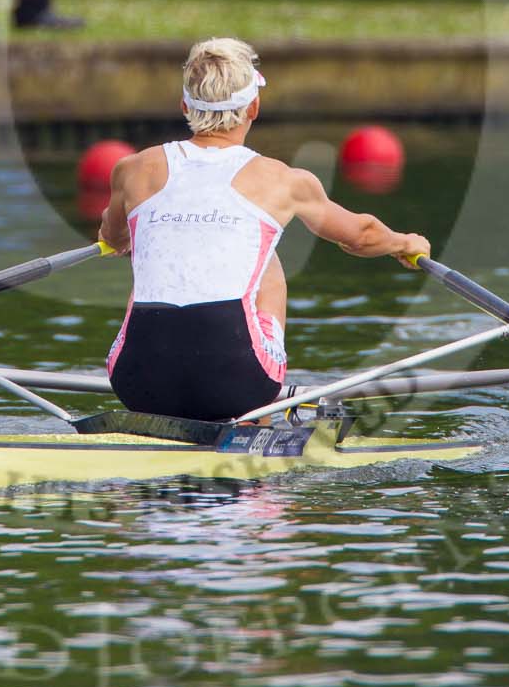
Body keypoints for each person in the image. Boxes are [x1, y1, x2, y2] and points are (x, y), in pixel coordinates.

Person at [96, 37, 432, 422]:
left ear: (185, 106)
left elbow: (113, 238)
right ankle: (258, 419)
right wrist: (405, 243)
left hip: (137, 383)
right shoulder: (284, 181)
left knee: (151, 258)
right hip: (237, 384)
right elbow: (361, 236)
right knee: (267, 264)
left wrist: (127, 236)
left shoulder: (132, 169)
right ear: (253, 107)